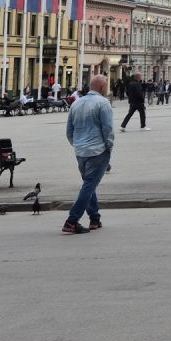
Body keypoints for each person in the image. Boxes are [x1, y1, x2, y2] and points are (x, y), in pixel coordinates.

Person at [62, 74, 115, 235]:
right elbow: (107, 128)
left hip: (80, 151)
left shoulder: (76, 103)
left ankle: (94, 218)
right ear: (102, 87)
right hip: (97, 150)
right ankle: (72, 220)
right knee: (89, 185)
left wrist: (77, 144)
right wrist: (109, 147)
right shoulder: (103, 103)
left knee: (89, 184)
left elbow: (69, 131)